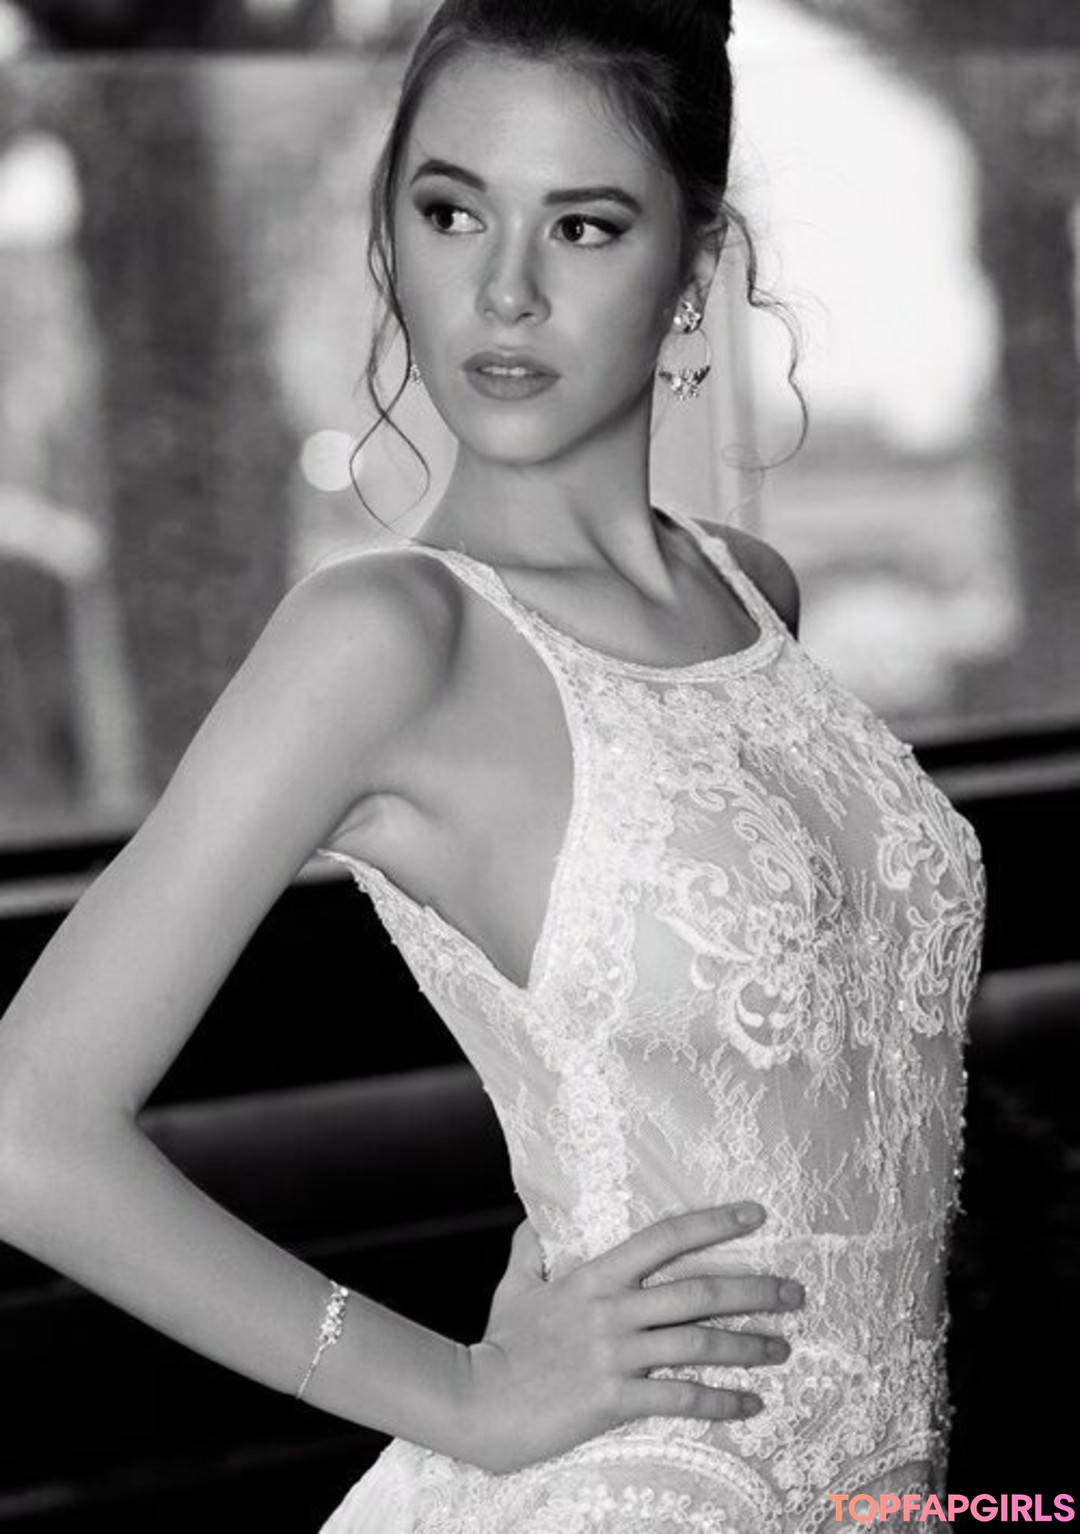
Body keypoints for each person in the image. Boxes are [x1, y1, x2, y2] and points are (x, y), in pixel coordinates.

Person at [0, 0, 987, 1529]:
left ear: (697, 263)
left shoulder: (750, 593)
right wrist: (460, 1390)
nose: (505, 289)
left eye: (583, 226)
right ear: (390, 235)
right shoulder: (389, 638)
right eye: (451, 211)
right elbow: (23, 1129)